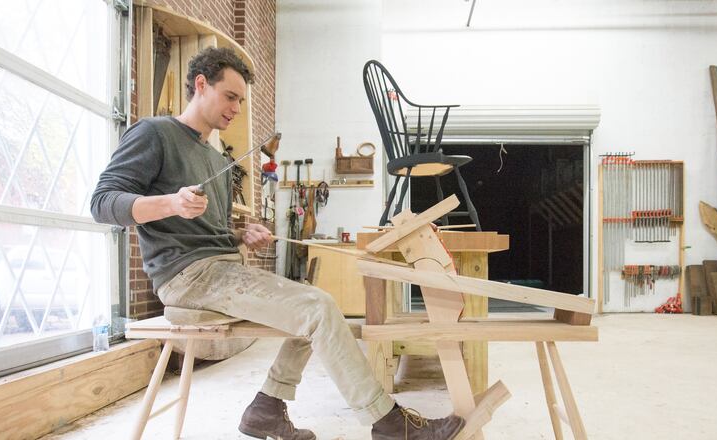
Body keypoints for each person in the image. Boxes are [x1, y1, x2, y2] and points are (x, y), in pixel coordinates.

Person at [91, 46, 465, 440]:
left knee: (312, 301)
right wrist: (171, 202)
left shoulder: (216, 158)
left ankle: (267, 408)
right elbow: (102, 204)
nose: (236, 108)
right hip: (188, 277)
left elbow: (210, 232)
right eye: (230, 96)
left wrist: (241, 235)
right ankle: (387, 423)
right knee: (318, 308)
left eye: (240, 100)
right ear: (201, 85)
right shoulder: (156, 134)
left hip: (223, 268)